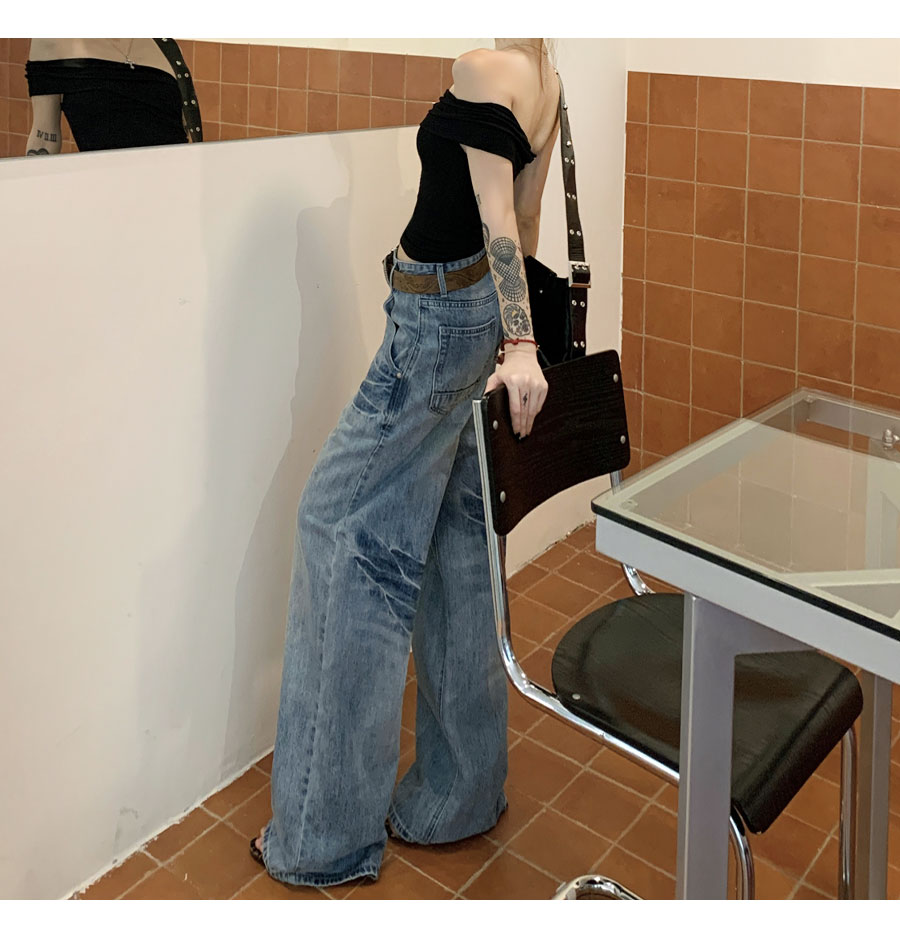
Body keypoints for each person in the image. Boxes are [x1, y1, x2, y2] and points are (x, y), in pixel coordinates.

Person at [251, 38, 561, 888]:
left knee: (338, 528)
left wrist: (521, 346)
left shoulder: (484, 66)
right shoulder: (547, 75)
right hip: (473, 322)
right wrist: (508, 335)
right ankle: (458, 795)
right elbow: (526, 214)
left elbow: (501, 222)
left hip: (436, 322)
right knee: (458, 546)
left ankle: (323, 837)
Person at [24, 39, 196, 155]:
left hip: (176, 187)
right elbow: (43, 141)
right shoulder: (54, 41)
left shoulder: (165, 45)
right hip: (108, 190)